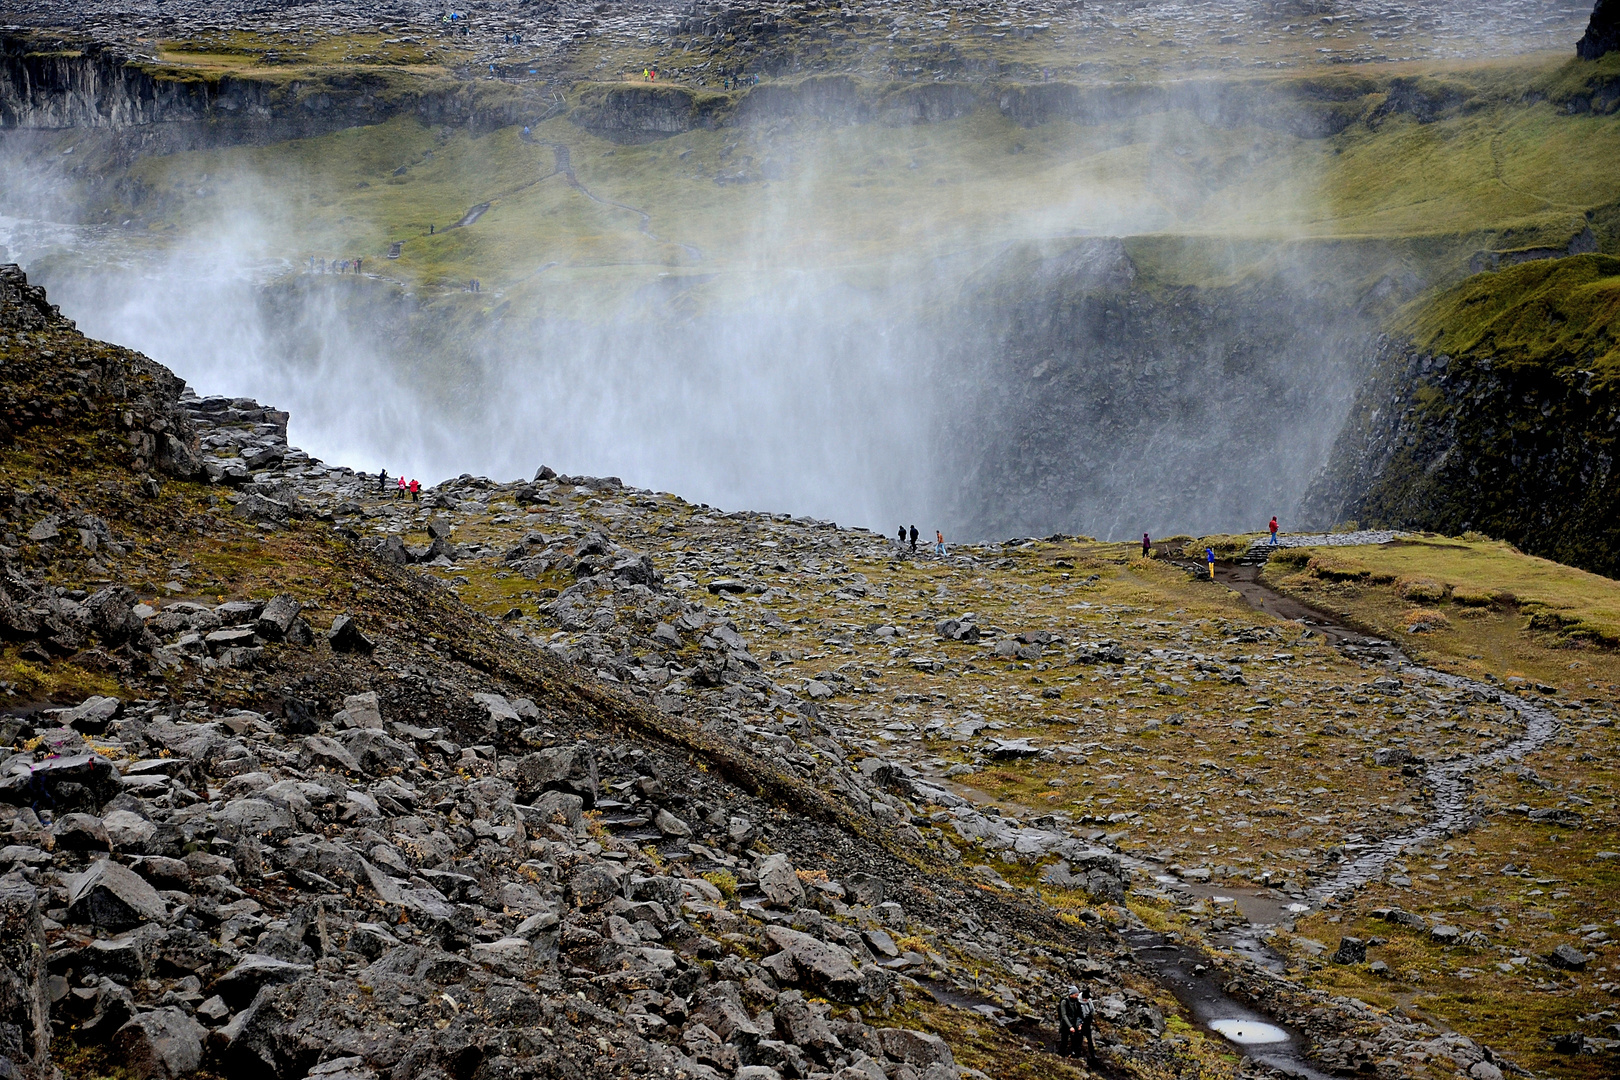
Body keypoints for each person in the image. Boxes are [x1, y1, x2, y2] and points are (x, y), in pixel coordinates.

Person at [1057, 985, 1084, 1057]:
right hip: (1065, 1025)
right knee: (1064, 1041)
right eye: (1076, 995)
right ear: (1071, 994)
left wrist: (1079, 1024)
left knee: (1075, 1041)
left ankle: (1075, 1055)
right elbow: (1064, 1015)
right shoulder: (1064, 1002)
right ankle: (1061, 1055)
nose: (1077, 996)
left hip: (1074, 1024)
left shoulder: (1077, 1002)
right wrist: (1070, 1026)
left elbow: (1079, 1014)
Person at [1077, 985, 1097, 1061]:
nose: (1086, 1000)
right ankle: (1078, 1054)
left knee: (1090, 1040)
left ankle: (1093, 1054)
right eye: (1085, 998)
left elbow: (1092, 1011)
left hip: (1087, 1023)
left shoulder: (1089, 1002)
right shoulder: (1078, 1002)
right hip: (1080, 1023)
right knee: (1079, 1039)